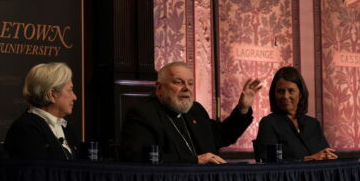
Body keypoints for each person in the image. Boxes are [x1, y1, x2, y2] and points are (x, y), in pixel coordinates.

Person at [120, 61, 263, 164]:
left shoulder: (195, 110)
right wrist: (195, 160)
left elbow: (223, 135)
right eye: (178, 82)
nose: (186, 88)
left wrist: (242, 109)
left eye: (190, 83)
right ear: (159, 88)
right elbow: (140, 158)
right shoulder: (143, 114)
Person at [255, 66, 337, 161]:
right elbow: (270, 163)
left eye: (291, 91)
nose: (285, 96)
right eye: (280, 91)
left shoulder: (313, 124)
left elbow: (324, 155)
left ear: (300, 94)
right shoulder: (269, 123)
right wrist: (307, 159)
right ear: (274, 94)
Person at [4, 62, 80, 160]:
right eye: (70, 90)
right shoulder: (26, 129)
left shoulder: (67, 128)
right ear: (52, 95)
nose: (74, 97)